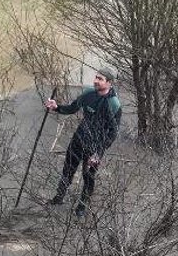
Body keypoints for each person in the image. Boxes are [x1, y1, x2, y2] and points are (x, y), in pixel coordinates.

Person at [44, 68, 122, 217]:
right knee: (67, 170)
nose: (95, 81)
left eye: (100, 79)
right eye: (96, 77)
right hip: (78, 140)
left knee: (88, 177)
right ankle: (59, 197)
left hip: (94, 148)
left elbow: (113, 133)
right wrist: (56, 107)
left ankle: (82, 206)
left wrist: (98, 153)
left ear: (109, 83)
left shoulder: (114, 104)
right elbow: (72, 108)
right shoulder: (88, 94)